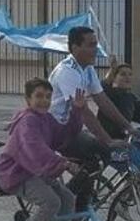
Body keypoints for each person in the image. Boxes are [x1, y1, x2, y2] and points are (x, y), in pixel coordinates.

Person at [0, 79, 85, 221]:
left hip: (36, 171)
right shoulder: (27, 121)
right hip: (17, 174)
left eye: (48, 96)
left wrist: (77, 111)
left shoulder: (45, 118)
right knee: (51, 202)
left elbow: (64, 134)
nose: (44, 101)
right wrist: (64, 163)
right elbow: (35, 149)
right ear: (28, 99)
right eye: (38, 96)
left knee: (68, 198)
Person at [48, 26, 133, 209]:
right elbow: (85, 112)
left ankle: (82, 207)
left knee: (101, 154)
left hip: (70, 128)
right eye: (91, 45)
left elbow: (103, 100)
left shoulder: (87, 69)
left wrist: (128, 126)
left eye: (96, 44)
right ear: (75, 48)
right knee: (93, 161)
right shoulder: (68, 72)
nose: (96, 49)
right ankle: (66, 204)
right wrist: (108, 140)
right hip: (56, 131)